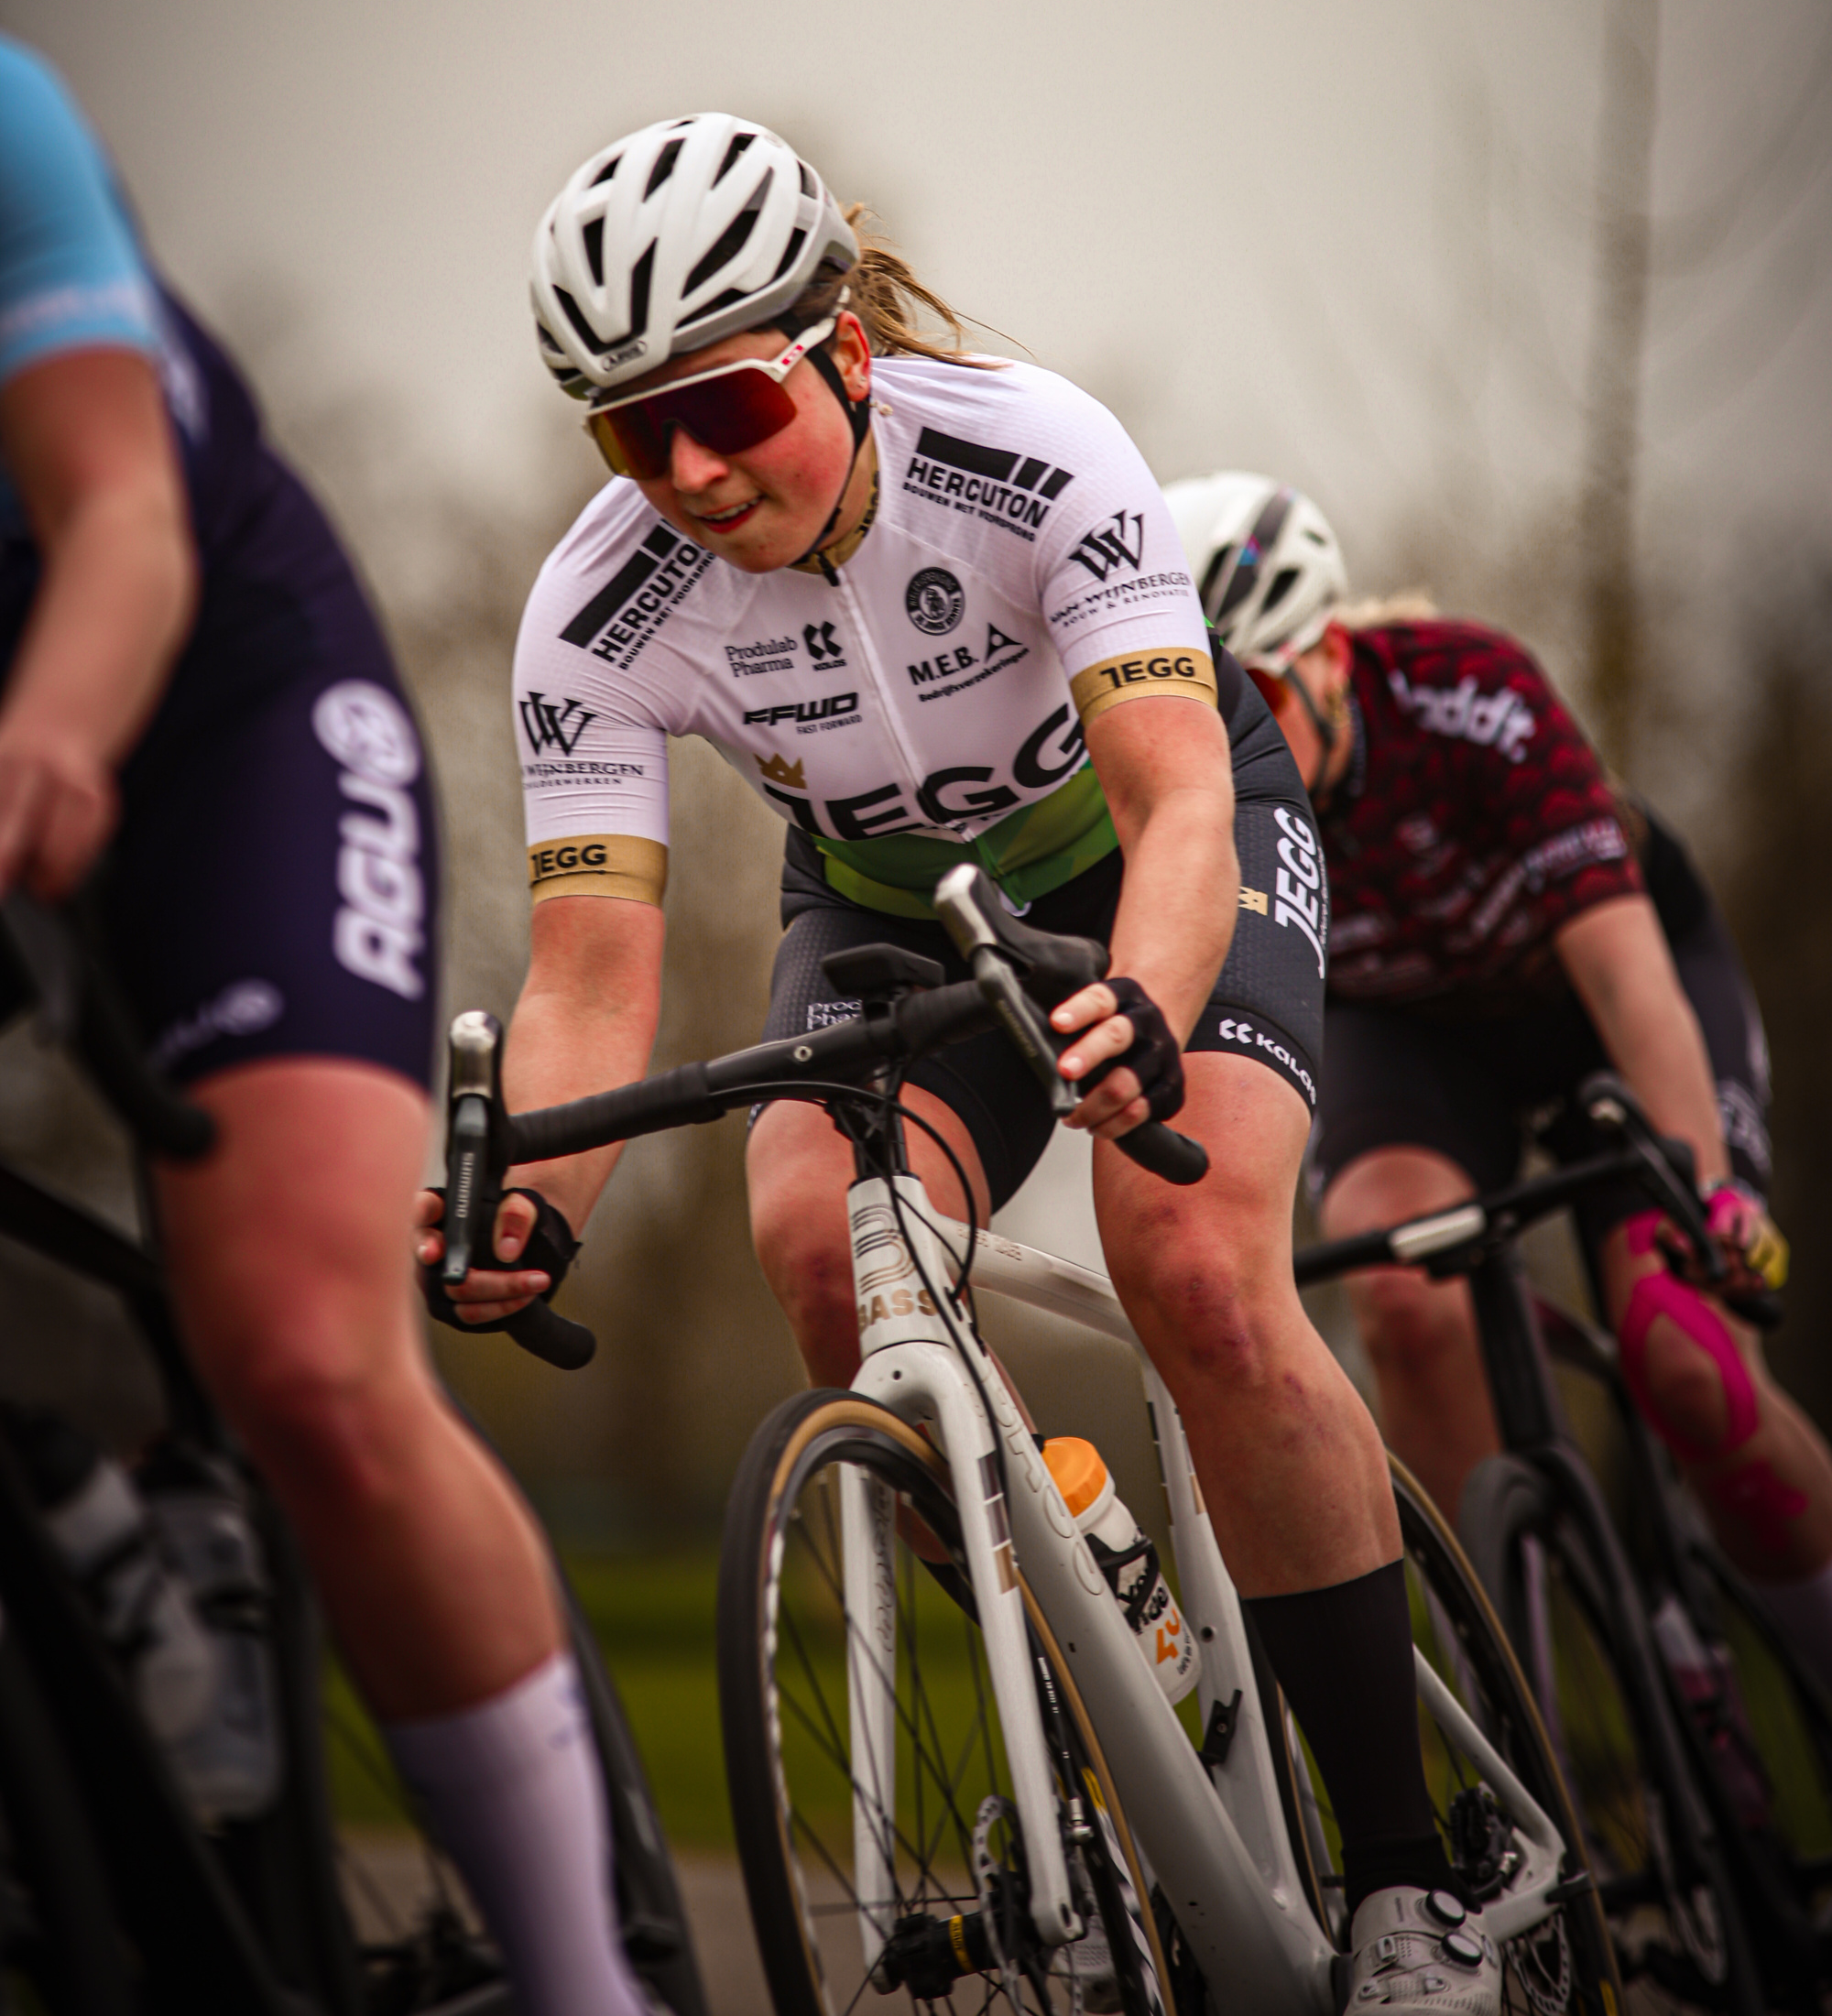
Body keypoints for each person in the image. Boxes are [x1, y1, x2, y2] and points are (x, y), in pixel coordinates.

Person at [432, 111, 1507, 2011]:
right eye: (627, 428)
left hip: (1158, 842)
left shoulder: (1029, 456)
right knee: (807, 1242)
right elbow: (592, 980)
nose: (684, 469)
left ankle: (1410, 1879)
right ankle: (1082, 1644)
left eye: (727, 404)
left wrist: (1154, 1002)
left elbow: (1176, 799)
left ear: (840, 349)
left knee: (1192, 1265)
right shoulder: (592, 616)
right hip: (885, 905)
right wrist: (532, 1194)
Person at [0, 34, 647, 2016]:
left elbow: (122, 524)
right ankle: (86, 1517)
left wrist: (37, 748)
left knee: (303, 1354)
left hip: (209, 704)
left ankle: (582, 1985)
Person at [1161, 470, 1832, 1695]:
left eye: (1250, 701)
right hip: (1415, 1035)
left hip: (1591, 1001)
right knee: (1404, 1294)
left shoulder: (1466, 695)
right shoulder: (1215, 809)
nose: (1231, 747)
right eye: (1204, 716)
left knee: (1686, 1357)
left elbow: (1630, 978)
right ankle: (1515, 1711)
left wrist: (1714, 1192)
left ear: (1321, 655)